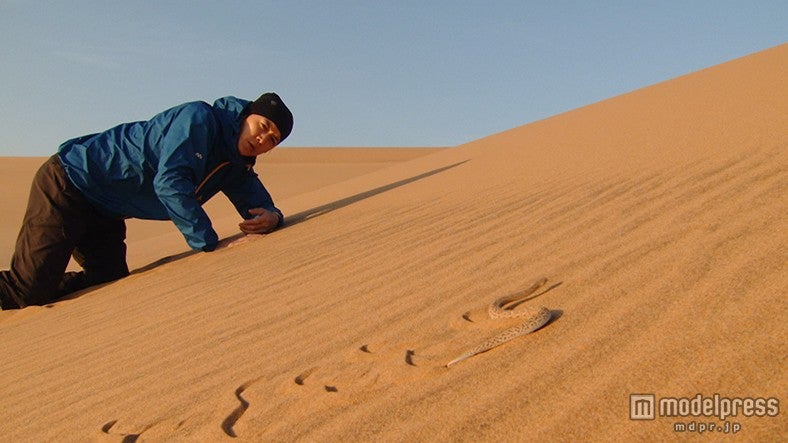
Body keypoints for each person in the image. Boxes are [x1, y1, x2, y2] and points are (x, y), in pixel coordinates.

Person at [0, 92, 293, 310]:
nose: (263, 138)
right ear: (246, 116)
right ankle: (34, 284)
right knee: (26, 292)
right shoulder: (199, 119)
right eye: (263, 125)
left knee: (107, 278)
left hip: (106, 211)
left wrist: (272, 217)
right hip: (71, 181)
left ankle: (44, 282)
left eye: (273, 139)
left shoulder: (236, 163)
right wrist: (208, 243)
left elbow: (259, 203)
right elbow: (170, 183)